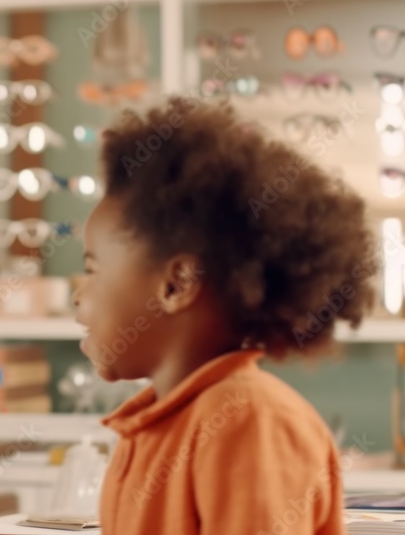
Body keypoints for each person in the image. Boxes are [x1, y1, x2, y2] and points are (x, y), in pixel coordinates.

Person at [72, 97, 375, 534]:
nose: (80, 297)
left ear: (176, 284)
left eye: (92, 270)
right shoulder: (146, 428)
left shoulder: (249, 420)